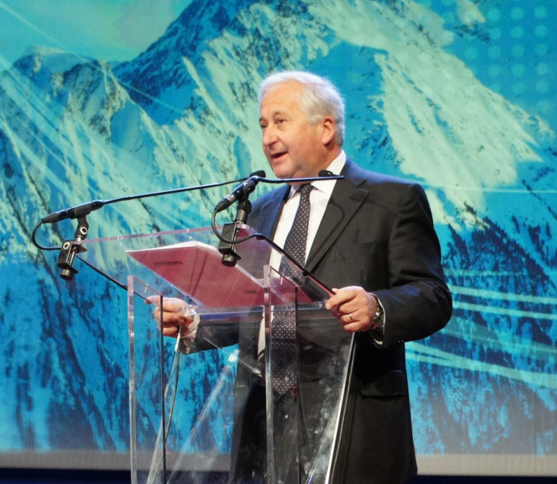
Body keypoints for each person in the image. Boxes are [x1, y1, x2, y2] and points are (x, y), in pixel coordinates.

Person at [153, 71, 452, 483]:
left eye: (280, 121)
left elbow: (433, 295)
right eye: (262, 125)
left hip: (352, 423)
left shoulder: (392, 200)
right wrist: (196, 323)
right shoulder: (259, 212)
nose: (267, 137)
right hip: (265, 424)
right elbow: (254, 308)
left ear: (325, 128)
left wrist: (376, 307)